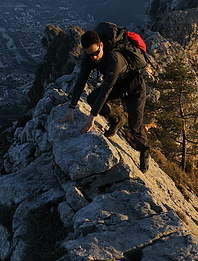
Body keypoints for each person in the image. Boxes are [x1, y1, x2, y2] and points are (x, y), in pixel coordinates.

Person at [61, 26, 151, 172]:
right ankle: (116, 120)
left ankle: (144, 150)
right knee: (92, 99)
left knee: (135, 125)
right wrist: (71, 108)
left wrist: (92, 117)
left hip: (134, 87)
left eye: (96, 53)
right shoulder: (89, 56)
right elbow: (81, 80)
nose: (94, 58)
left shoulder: (114, 59)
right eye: (90, 55)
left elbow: (106, 89)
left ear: (101, 45)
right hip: (117, 86)